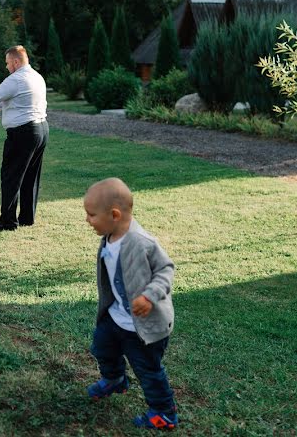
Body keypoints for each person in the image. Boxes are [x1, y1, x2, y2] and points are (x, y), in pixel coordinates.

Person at [83, 178, 179, 431]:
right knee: (102, 348)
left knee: (147, 369)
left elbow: (166, 270)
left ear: (114, 214)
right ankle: (114, 379)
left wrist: (149, 296)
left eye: (91, 215)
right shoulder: (110, 236)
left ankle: (164, 412)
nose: (87, 220)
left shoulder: (141, 242)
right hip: (115, 317)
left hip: (144, 327)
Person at [0, 45, 47, 231]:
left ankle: (8, 221)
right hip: (41, 130)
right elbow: (9, 102)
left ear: (16, 62)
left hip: (23, 133)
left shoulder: (16, 79)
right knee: (30, 175)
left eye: (7, 63)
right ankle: (27, 217)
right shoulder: (36, 77)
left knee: (11, 176)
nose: (6, 67)